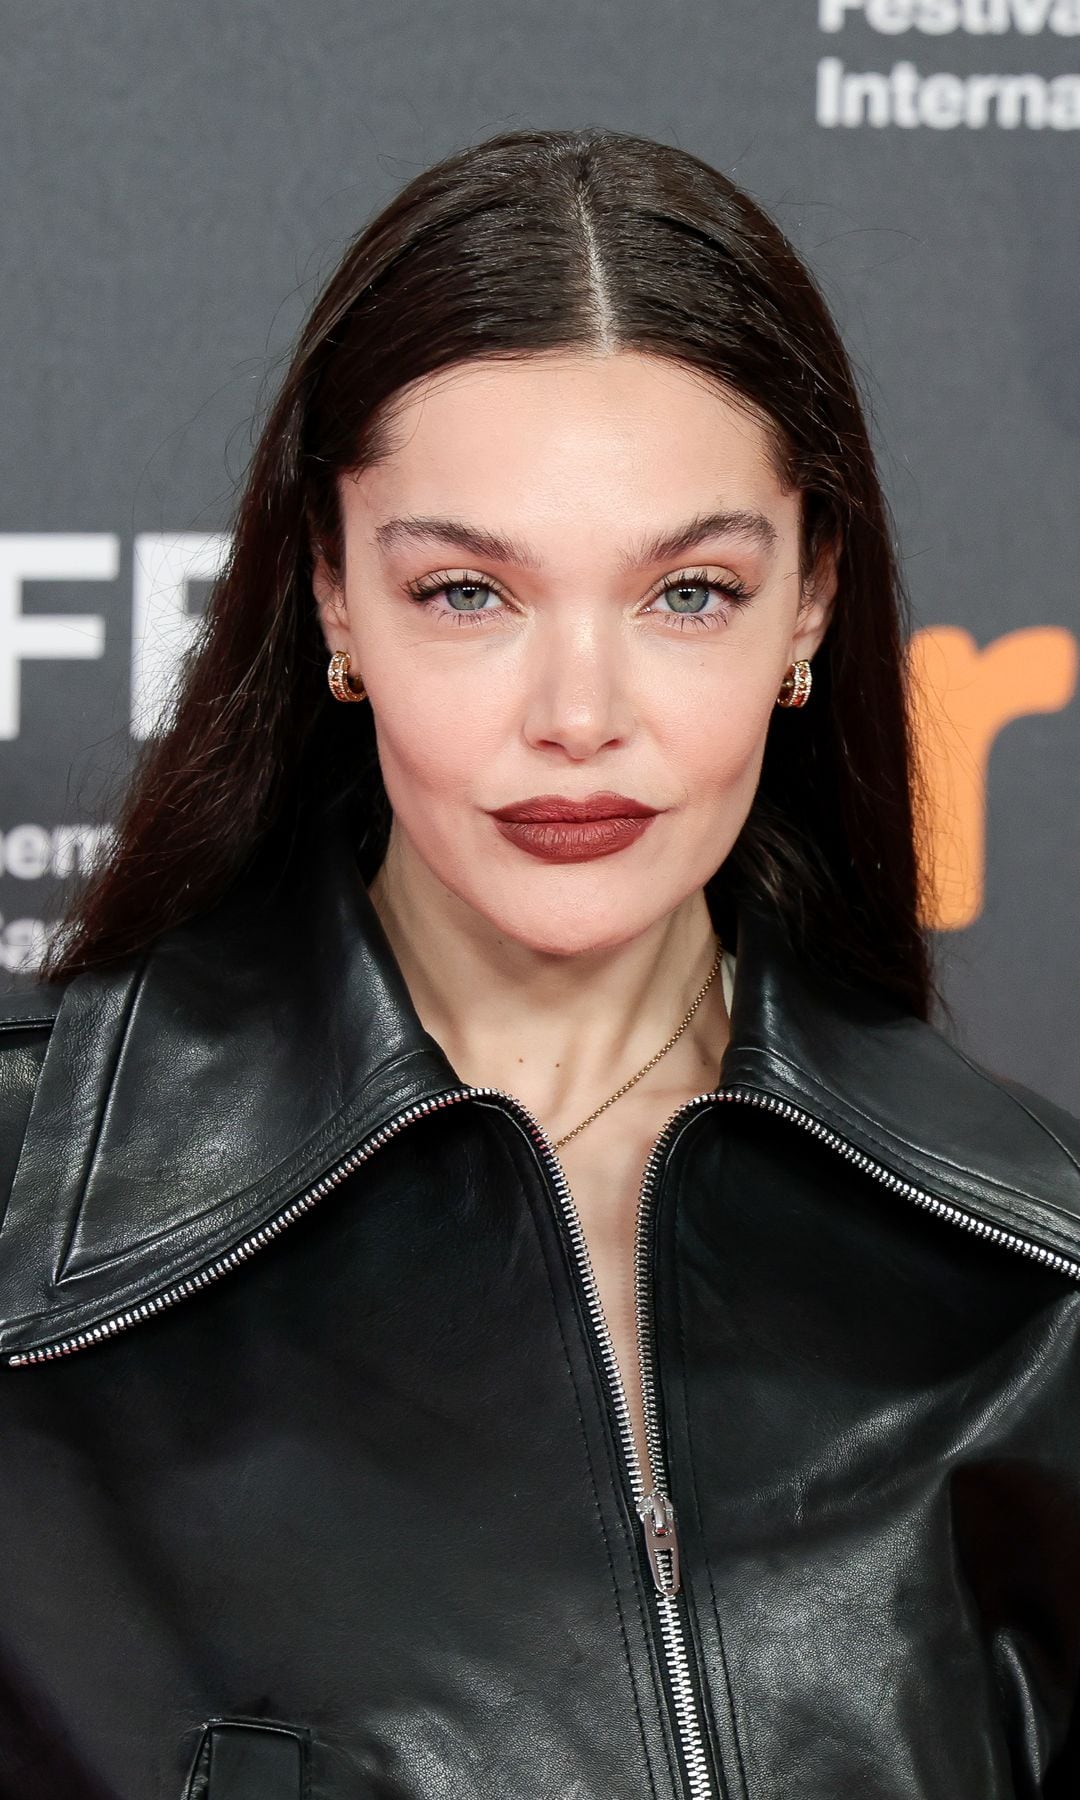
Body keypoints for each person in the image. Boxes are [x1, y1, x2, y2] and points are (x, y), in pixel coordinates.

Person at [1, 124, 1078, 1800]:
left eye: (691, 593)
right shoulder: (26, 1226)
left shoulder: (1034, 1280)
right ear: (334, 602)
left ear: (812, 606)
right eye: (467, 593)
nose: (579, 716)